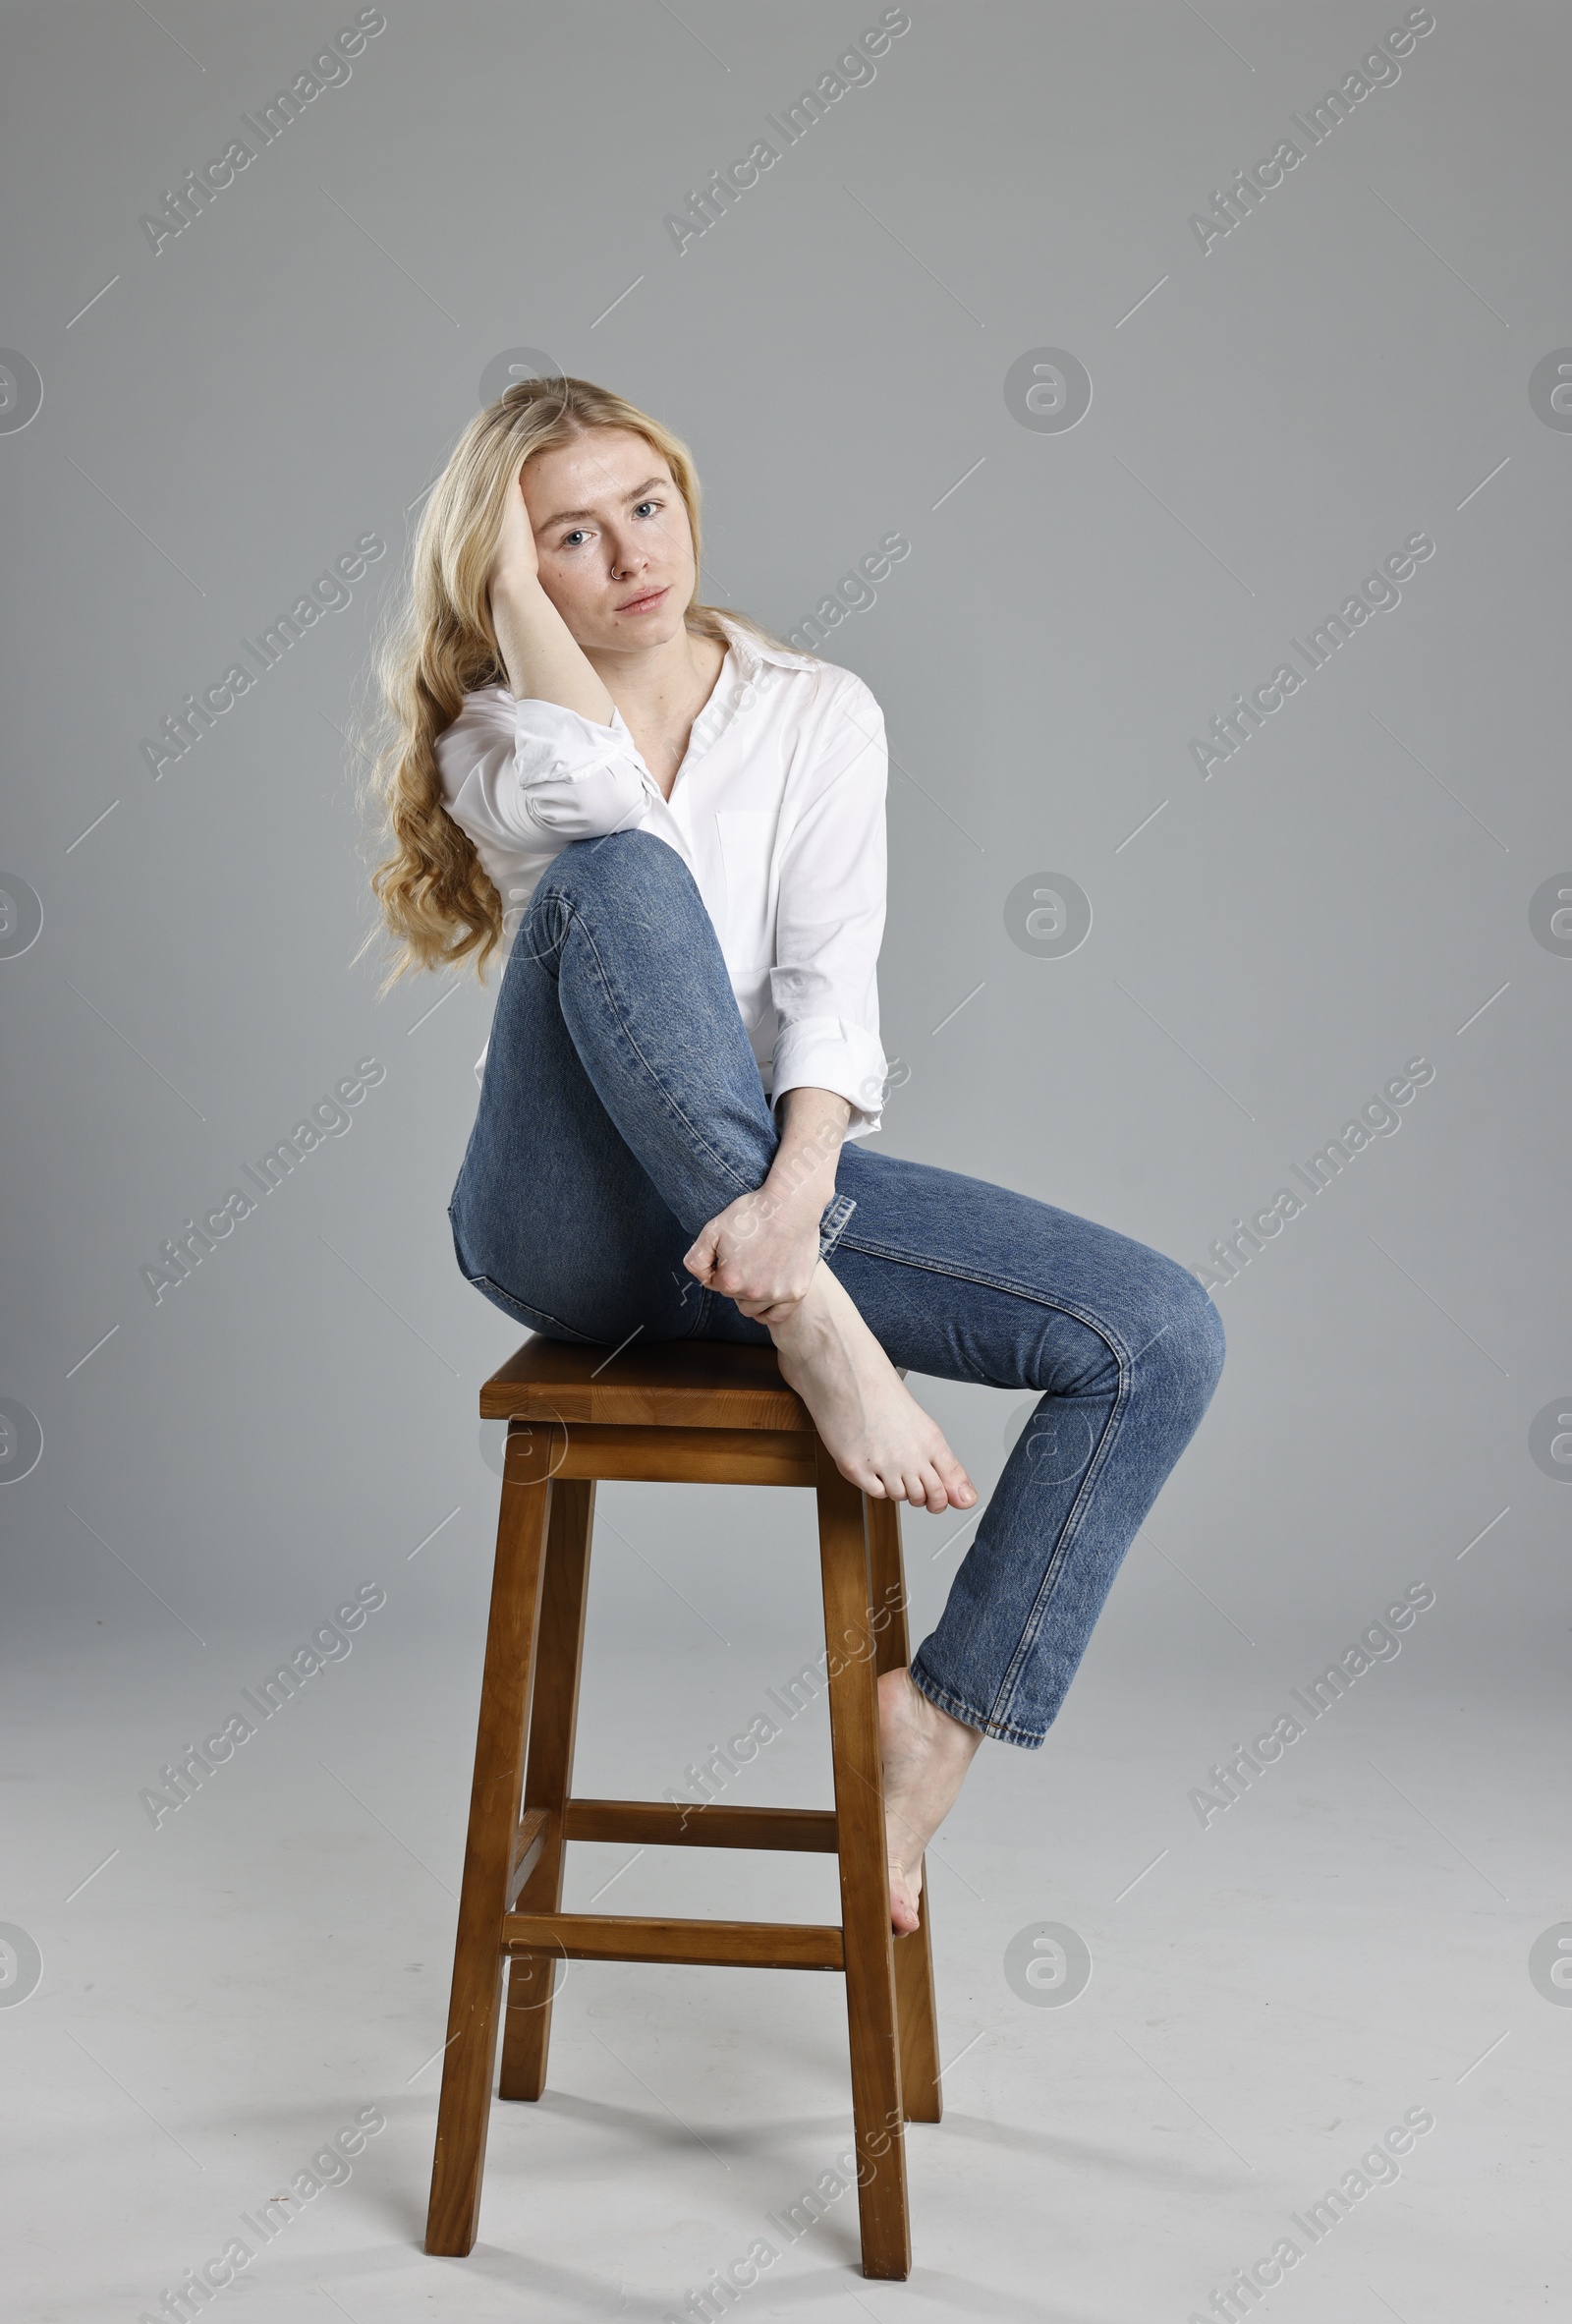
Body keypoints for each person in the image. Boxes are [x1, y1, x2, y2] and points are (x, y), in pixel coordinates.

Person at [362, 374, 1225, 1935]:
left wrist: (796, 1202)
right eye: (567, 535)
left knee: (1158, 1334)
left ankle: (935, 1732)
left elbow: (835, 998)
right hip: (563, 1228)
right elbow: (611, 807)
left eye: (648, 504)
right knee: (609, 878)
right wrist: (502, 604)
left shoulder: (818, 708)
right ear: (513, 575)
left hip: (769, 1194)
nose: (633, 554)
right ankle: (809, 1317)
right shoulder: (502, 736)